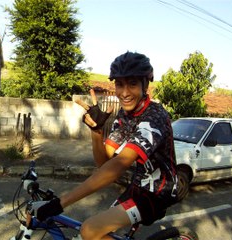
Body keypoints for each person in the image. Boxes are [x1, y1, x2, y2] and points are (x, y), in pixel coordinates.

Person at [29, 52, 178, 239]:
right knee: (99, 231)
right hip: (137, 187)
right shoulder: (125, 116)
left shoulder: (155, 117)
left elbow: (119, 165)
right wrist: (97, 131)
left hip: (158, 194)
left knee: (89, 230)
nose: (124, 93)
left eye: (132, 84)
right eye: (119, 84)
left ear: (145, 85)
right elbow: (104, 163)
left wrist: (60, 203)